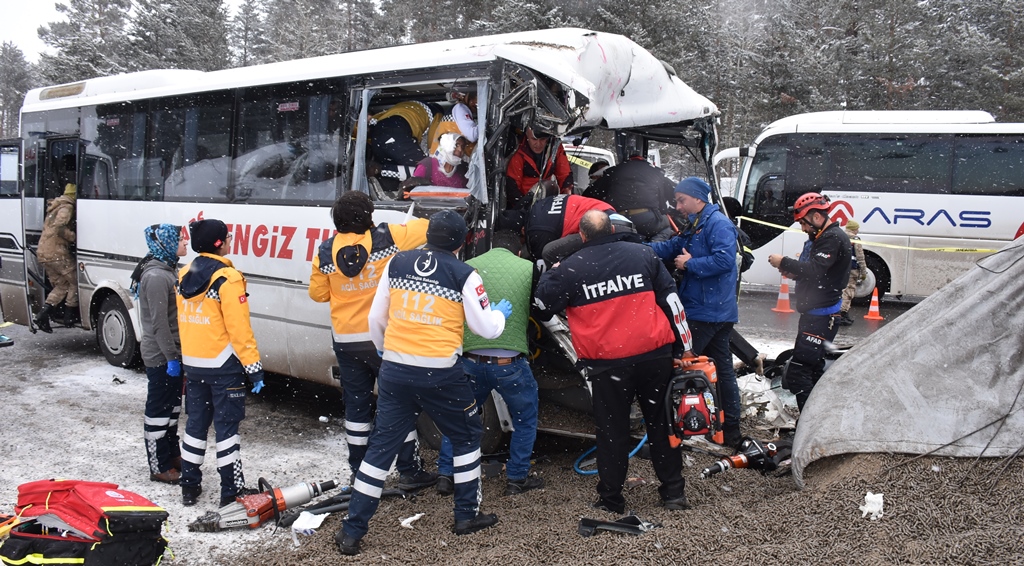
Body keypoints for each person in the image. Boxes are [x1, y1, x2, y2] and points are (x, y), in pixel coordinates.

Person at [336, 210, 512, 556]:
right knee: (465, 437)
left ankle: (351, 532)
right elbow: (485, 329)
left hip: (396, 370)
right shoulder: (465, 274)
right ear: (463, 242)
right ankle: (465, 516)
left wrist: (387, 352)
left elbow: (376, 317)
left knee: (381, 448)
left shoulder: (397, 263)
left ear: (428, 234)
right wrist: (499, 315)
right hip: (441, 373)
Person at [534, 210, 693, 515]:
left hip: (607, 364)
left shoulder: (571, 268)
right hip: (654, 357)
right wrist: (685, 348)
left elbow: (542, 307)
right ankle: (673, 494)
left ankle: (611, 499)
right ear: (611, 228)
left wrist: (552, 273)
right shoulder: (643, 255)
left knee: (612, 431)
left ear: (582, 236)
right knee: (662, 425)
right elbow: (672, 304)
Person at [308, 191, 437, 490]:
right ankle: (409, 470)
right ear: (368, 216)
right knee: (398, 403)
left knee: (356, 407)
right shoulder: (387, 237)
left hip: (346, 340)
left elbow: (318, 294)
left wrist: (346, 286)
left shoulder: (325, 251)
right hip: (382, 338)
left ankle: (359, 470)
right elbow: (427, 228)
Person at [436, 230, 543, 498]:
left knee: (459, 420)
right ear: (518, 252)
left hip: (470, 362)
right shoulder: (528, 268)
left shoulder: (467, 268)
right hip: (510, 364)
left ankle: (446, 476)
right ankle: (516, 479)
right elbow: (541, 306)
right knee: (525, 420)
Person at [177, 219, 266, 507]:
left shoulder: (183, 275)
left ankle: (189, 486)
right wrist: (253, 368)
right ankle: (232, 491)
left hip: (194, 364)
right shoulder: (228, 278)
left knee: (195, 426)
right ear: (220, 243)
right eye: (227, 238)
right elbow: (239, 329)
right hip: (224, 366)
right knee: (227, 429)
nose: (230, 241)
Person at [649, 177, 743, 448]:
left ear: (699, 199)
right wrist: (636, 248)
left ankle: (677, 427)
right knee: (722, 369)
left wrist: (692, 264)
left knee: (681, 365)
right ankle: (728, 427)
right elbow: (671, 248)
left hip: (707, 312)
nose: (678, 205)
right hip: (712, 311)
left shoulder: (718, 224)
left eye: (682, 200)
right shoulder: (697, 223)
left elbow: (726, 260)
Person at [768, 192, 851, 411]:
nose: (803, 229)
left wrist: (783, 261)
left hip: (821, 318)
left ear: (816, 216)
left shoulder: (831, 238)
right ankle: (818, 418)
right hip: (817, 315)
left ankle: (809, 422)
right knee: (812, 371)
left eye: (803, 223)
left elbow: (815, 270)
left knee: (798, 373)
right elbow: (819, 273)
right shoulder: (823, 237)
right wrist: (794, 273)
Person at [132, 224, 187, 485]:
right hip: (161, 357)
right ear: (164, 243)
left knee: (172, 409)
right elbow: (159, 324)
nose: (185, 243)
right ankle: (158, 466)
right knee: (158, 411)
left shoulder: (168, 270)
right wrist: (171, 357)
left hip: (174, 353)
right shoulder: (156, 277)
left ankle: (172, 455)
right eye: (180, 240)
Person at [583, 153, 675, 241]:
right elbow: (672, 197)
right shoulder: (656, 173)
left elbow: (589, 194)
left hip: (618, 218)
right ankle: (653, 249)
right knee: (666, 227)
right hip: (646, 220)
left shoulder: (614, 172)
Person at [524, 192, 614, 269]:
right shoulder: (540, 205)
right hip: (606, 214)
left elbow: (542, 260)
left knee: (549, 252)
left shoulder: (538, 233)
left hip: (599, 223)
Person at [33, 183, 79, 333]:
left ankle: (43, 314)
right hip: (57, 254)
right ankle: (69, 315)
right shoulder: (67, 207)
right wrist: (72, 237)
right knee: (76, 281)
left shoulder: (55, 206)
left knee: (62, 285)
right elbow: (59, 227)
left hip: (44, 252)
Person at [368, 100, 439, 184]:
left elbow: (371, 122)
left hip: (377, 136)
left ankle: (380, 171)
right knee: (427, 169)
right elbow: (434, 142)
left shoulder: (406, 107)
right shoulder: (437, 115)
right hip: (395, 133)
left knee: (395, 170)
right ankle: (379, 170)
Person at [505, 127, 573, 209]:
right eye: (534, 139)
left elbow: (565, 175)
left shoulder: (555, 147)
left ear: (547, 138)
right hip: (524, 202)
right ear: (527, 136)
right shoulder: (519, 151)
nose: (538, 144)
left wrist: (567, 201)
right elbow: (512, 186)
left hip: (547, 202)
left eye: (542, 139)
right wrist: (523, 209)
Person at [401, 133, 469, 191]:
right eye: (456, 145)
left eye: (462, 147)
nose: (460, 150)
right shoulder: (427, 165)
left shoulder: (462, 170)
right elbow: (412, 190)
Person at [426, 85, 478, 155]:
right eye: (475, 101)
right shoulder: (460, 108)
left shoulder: (457, 110)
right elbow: (472, 135)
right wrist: (485, 124)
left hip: (440, 158)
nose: (476, 104)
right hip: (444, 159)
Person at [838, 220, 867, 326]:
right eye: (857, 228)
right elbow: (860, 257)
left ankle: (840, 314)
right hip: (852, 268)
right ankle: (842, 314)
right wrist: (863, 272)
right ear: (854, 229)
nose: (858, 230)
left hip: (840, 269)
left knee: (841, 290)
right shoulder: (855, 239)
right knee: (849, 291)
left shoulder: (840, 236)